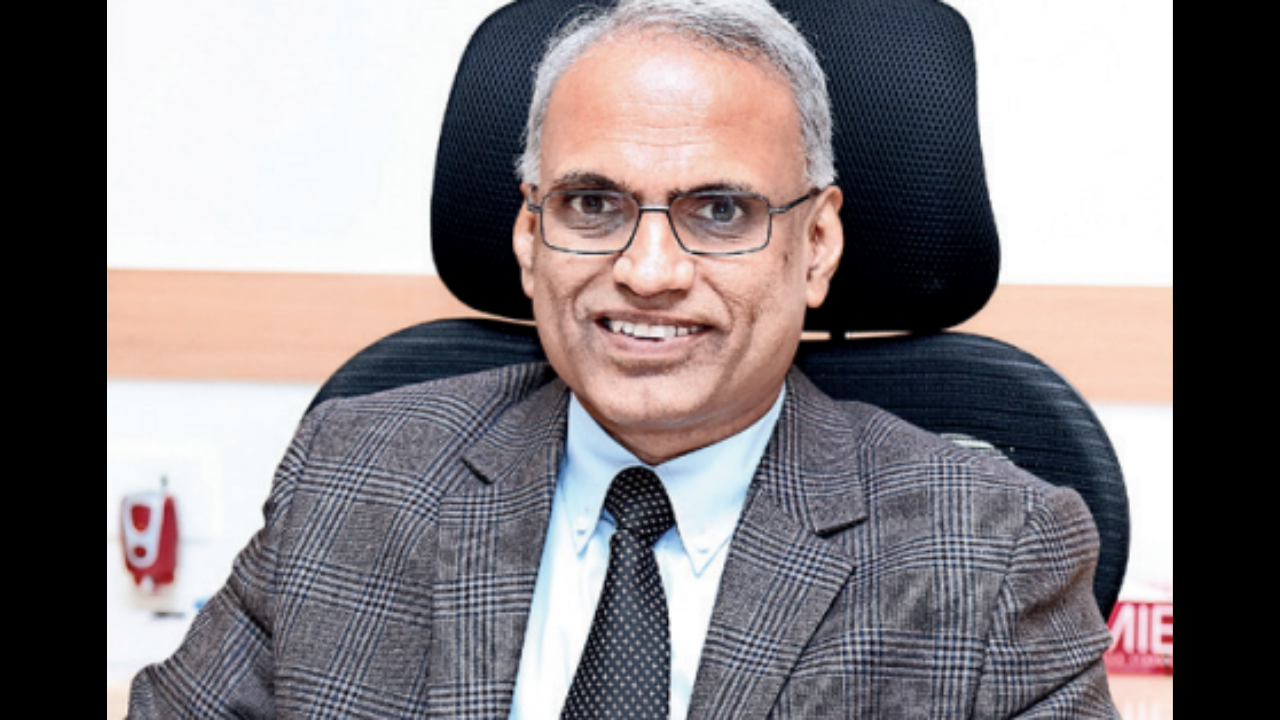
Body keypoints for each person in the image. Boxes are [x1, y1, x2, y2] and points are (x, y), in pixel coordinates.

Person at [129, 1, 1120, 717]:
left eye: (719, 210)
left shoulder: (992, 551)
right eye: (593, 204)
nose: (647, 272)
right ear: (529, 236)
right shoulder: (349, 473)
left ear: (816, 245)